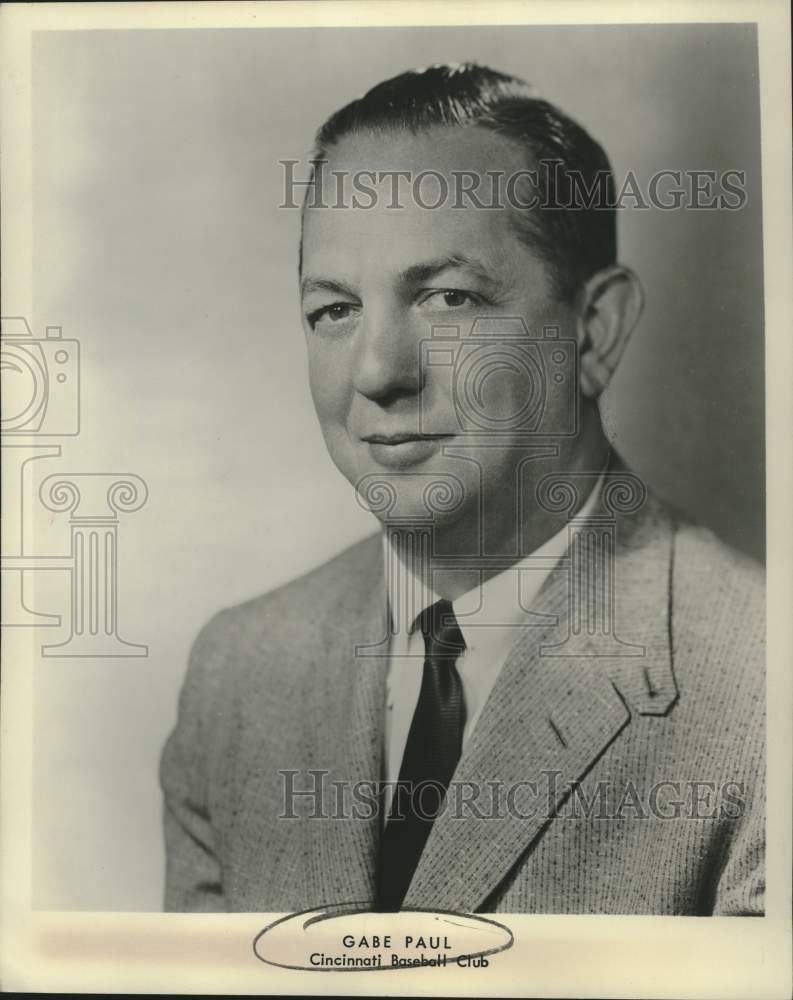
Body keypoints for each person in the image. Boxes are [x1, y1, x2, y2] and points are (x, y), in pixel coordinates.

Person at [160, 63, 764, 915]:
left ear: (593, 332)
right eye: (334, 310)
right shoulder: (237, 672)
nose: (376, 373)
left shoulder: (759, 685)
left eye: (447, 298)